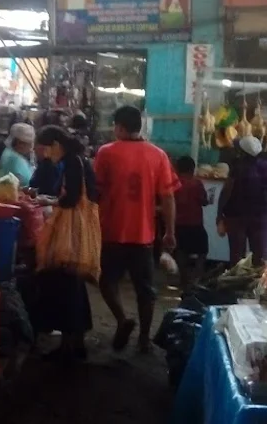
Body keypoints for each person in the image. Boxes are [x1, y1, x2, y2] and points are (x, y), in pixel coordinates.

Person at [94, 105, 178, 353]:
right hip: (143, 235)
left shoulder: (106, 153)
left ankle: (122, 319)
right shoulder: (158, 155)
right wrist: (170, 231)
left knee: (107, 281)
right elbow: (168, 197)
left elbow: (95, 190)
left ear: (119, 127)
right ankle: (143, 338)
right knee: (146, 290)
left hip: (111, 231)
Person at [33, 125, 97, 361]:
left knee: (68, 285)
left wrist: (46, 201)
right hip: (76, 229)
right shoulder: (75, 160)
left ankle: (71, 346)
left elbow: (71, 199)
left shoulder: (72, 163)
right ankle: (73, 344)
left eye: (47, 149)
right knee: (72, 286)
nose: (46, 155)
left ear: (56, 145)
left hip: (73, 232)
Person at [218, 135, 267, 266]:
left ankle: (238, 283)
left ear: (242, 152)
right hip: (261, 214)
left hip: (236, 215)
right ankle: (258, 284)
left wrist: (219, 216)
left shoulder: (238, 167)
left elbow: (226, 192)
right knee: (260, 255)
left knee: (237, 256)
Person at [173, 156, 210, 290]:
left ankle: (184, 280)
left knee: (181, 251)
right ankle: (195, 279)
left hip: (179, 223)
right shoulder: (197, 183)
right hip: (195, 223)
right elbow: (204, 201)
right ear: (193, 169)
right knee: (202, 251)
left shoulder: (174, 183)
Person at [0, 123, 35, 188]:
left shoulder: (11, 153)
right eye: (29, 144)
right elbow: (18, 183)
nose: (31, 149)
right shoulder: (13, 158)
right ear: (20, 143)